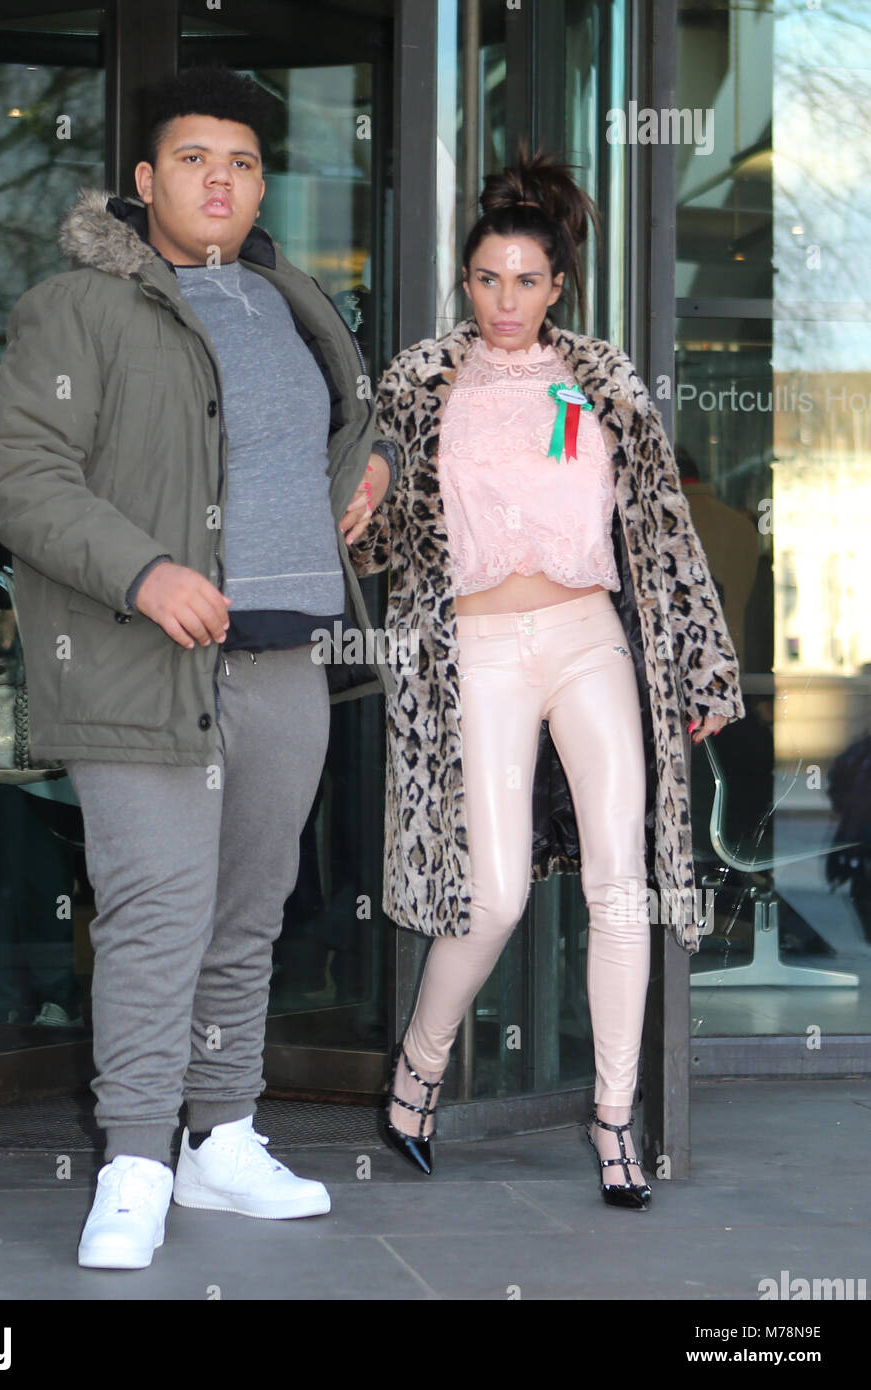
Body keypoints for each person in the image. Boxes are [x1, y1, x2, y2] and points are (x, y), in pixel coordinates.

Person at [0, 64, 395, 1269]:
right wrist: (145, 568)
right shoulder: (81, 306)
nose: (223, 179)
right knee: (159, 914)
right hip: (138, 655)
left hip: (282, 653)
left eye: (245, 162)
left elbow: (342, 429)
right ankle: (135, 1161)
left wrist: (372, 470)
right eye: (197, 159)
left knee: (245, 919)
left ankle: (221, 1140)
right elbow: (18, 474)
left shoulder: (288, 294)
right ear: (146, 181)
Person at [349, 152, 744, 1207]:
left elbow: (665, 538)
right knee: (495, 893)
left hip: (586, 636)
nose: (507, 300)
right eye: (489, 279)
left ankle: (614, 1121)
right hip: (475, 651)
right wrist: (370, 478)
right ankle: (418, 1072)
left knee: (623, 883)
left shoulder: (605, 384)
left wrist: (704, 661)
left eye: (527, 280)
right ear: (465, 280)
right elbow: (379, 540)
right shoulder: (419, 382)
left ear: (558, 284)